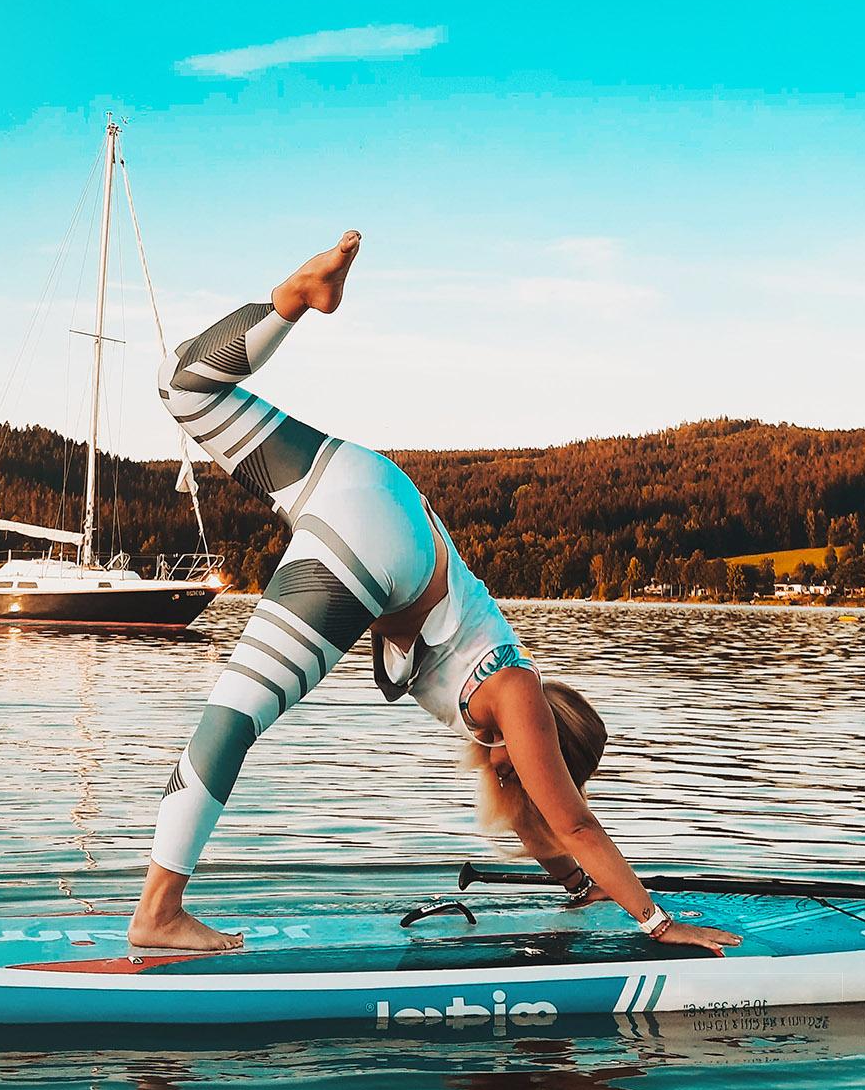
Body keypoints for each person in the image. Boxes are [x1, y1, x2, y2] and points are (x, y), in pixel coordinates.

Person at [128, 232, 740, 957]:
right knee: (233, 717)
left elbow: (545, 830)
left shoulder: (501, 724)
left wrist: (580, 888)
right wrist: (662, 924)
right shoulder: (517, 693)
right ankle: (159, 911)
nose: (528, 786)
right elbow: (573, 824)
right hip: (374, 539)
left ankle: (296, 298)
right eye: (549, 777)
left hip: (366, 485)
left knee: (183, 386)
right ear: (553, 750)